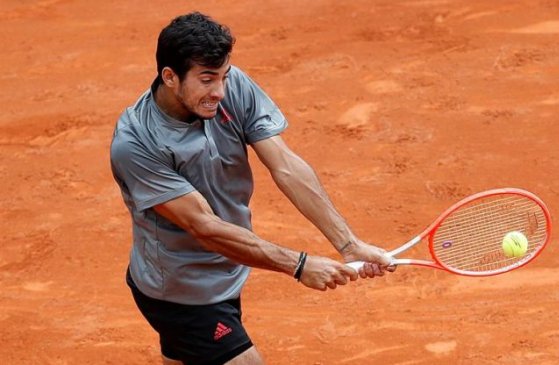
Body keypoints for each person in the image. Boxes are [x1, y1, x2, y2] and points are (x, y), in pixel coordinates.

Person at [110, 11, 394, 365]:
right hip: (183, 291)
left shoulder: (231, 87)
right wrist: (299, 264)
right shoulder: (136, 143)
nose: (221, 92)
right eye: (208, 80)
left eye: (224, 76)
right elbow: (205, 227)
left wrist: (348, 245)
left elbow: (286, 166)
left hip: (225, 271)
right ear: (169, 76)